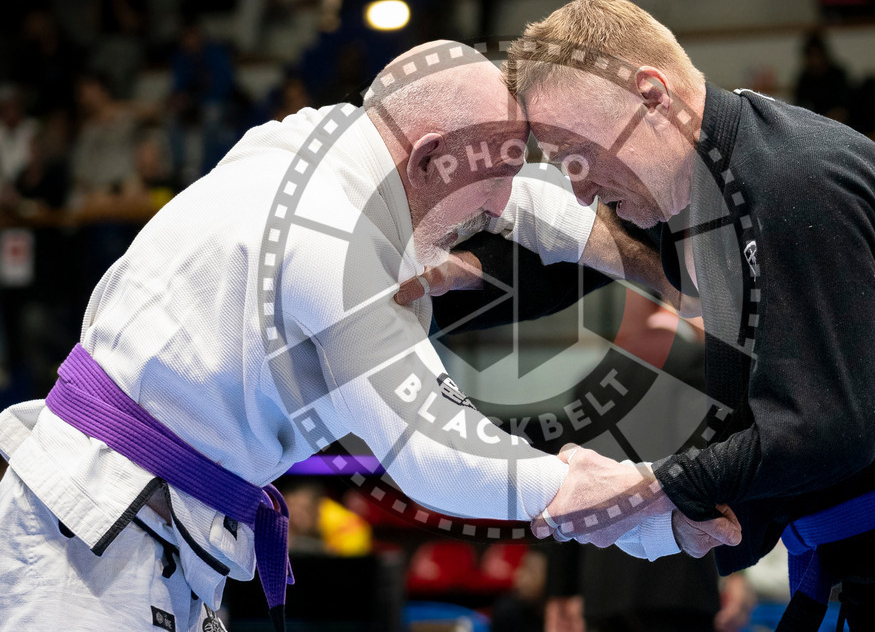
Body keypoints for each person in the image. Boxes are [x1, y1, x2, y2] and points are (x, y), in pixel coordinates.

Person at [0, 40, 738, 632]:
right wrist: (646, 506)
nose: (501, 204)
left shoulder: (317, 139)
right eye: (496, 177)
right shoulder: (333, 237)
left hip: (142, 522)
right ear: (427, 159)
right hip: (96, 540)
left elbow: (518, 199)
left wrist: (656, 267)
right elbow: (440, 455)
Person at [411, 0, 875, 630]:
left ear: (651, 97)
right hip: (865, 550)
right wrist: (440, 281)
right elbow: (564, 263)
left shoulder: (794, 184)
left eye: (579, 156)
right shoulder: (690, 192)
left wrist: (652, 486)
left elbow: (829, 430)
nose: (582, 188)